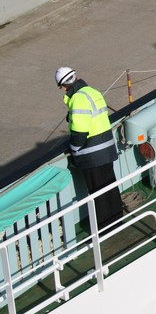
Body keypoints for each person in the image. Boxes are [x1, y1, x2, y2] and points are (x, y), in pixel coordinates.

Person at [55, 67, 124, 229]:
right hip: (106, 149)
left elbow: (79, 132)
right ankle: (118, 220)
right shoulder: (92, 92)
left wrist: (73, 149)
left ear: (64, 85)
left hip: (92, 155)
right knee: (110, 187)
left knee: (97, 194)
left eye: (61, 87)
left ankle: (105, 229)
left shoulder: (78, 99)